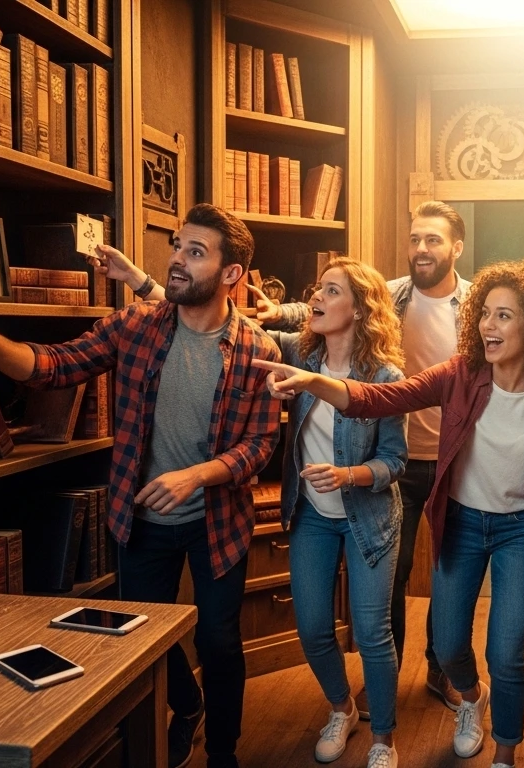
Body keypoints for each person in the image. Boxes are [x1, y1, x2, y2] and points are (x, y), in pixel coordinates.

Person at [0, 204, 281, 768]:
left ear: (230, 275)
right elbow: (51, 365)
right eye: (178, 245)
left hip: (217, 521)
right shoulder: (134, 327)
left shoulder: (256, 350)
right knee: (146, 640)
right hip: (140, 520)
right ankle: (186, 706)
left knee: (218, 643)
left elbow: (259, 445)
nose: (176, 259)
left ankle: (223, 754)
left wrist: (197, 475)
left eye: (195, 252)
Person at [252, 260, 524, 768]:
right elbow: (382, 398)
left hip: (522, 532)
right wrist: (312, 381)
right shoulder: (461, 374)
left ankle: (505, 756)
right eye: (485, 315)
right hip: (464, 525)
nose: (487, 327)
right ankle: (473, 698)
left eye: (504, 316)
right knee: (450, 649)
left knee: (507, 654)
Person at [96, 251, 409, 768]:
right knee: (312, 629)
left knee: (373, 634)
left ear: (359, 309)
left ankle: (384, 740)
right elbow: (209, 317)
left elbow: (395, 461)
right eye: (317, 288)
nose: (316, 297)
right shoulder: (297, 356)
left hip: (368, 519)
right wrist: (138, 280)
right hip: (310, 516)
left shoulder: (386, 374)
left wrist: (349, 474)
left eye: (332, 291)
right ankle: (342, 709)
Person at [257, 201, 473, 715]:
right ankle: (382, 699)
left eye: (434, 240)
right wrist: (276, 310)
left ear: (456, 247)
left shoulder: (474, 304)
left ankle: (442, 671)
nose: (421, 248)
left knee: (448, 576)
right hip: (386, 466)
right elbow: (315, 310)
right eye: (416, 238)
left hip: (449, 463)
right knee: (390, 590)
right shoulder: (389, 294)